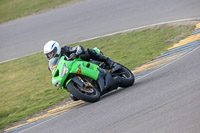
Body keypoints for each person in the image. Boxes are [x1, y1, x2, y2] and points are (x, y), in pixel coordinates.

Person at [43, 40, 119, 72]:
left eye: (51, 53)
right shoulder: (52, 65)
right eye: (48, 55)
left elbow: (78, 47)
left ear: (56, 49)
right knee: (74, 96)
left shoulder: (64, 50)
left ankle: (110, 62)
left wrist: (75, 54)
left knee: (87, 53)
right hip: (73, 71)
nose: (50, 56)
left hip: (83, 63)